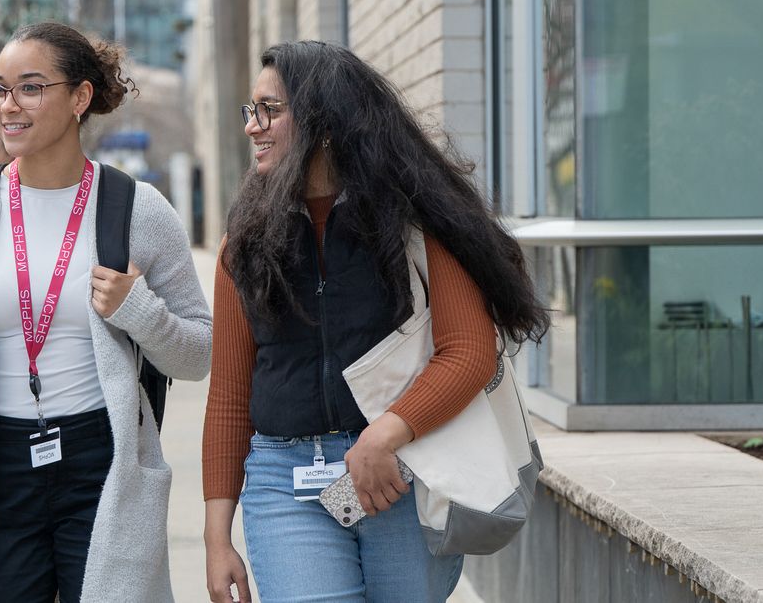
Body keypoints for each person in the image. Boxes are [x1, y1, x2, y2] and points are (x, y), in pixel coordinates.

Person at [201, 41, 550, 603]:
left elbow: (468, 353)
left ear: (325, 121)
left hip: (404, 473)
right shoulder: (242, 244)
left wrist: (383, 435)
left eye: (270, 110)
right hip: (283, 482)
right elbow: (229, 397)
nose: (253, 126)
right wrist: (217, 537)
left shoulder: (417, 227)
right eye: (251, 110)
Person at [0, 22, 211, 602]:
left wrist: (139, 312)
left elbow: (199, 352)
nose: (7, 105)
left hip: (101, 463)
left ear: (80, 98)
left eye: (29, 87)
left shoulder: (135, 209)